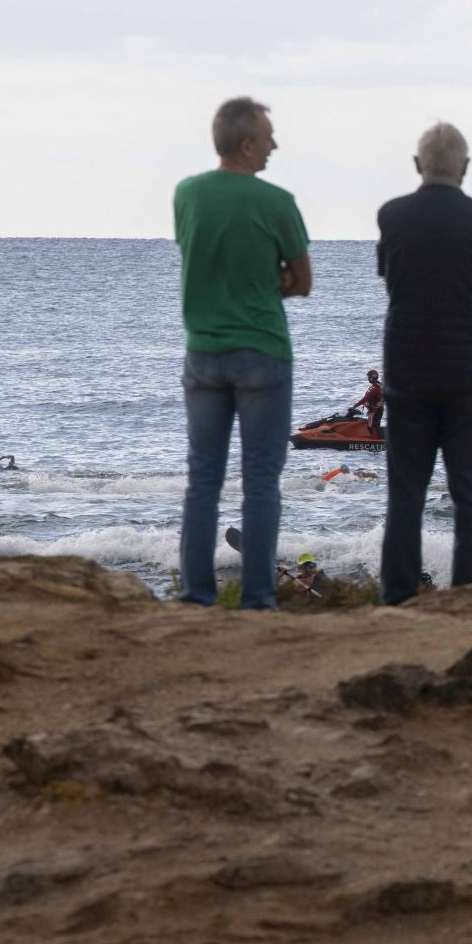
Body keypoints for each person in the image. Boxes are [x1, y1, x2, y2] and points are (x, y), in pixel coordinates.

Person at [174, 97, 312, 610]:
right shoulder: (277, 201)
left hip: (204, 351)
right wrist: (268, 283)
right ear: (248, 143)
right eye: (269, 136)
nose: (275, 145)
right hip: (263, 351)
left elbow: (202, 260)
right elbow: (302, 280)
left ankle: (195, 597)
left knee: (202, 479)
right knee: (260, 482)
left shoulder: (187, 194)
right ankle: (258, 599)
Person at [376, 122, 472, 605]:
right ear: (466, 167)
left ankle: (396, 597)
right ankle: (469, 593)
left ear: (418, 165)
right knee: (470, 495)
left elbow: (388, 276)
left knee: (405, 494)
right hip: (469, 375)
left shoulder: (392, 215)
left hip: (408, 370)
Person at [351, 369, 384, 436]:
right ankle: (376, 440)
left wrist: (354, 406)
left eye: (369, 377)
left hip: (374, 411)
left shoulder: (374, 388)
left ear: (373, 377)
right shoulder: (380, 385)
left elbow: (364, 399)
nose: (368, 379)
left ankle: (375, 443)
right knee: (374, 426)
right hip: (378, 410)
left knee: (372, 427)